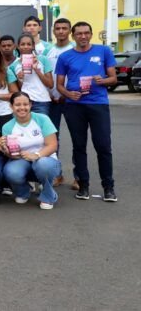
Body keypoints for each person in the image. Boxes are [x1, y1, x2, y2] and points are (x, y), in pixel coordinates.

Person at [55, 21, 117, 202]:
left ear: (91, 34)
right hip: (74, 106)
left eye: (86, 33)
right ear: (73, 36)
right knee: (79, 146)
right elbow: (59, 84)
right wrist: (68, 94)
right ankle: (83, 186)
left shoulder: (103, 51)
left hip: (98, 104)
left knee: (103, 145)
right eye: (79, 33)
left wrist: (102, 80)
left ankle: (108, 187)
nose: (83, 36)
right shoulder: (65, 56)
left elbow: (113, 78)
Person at [0, 92, 62, 210]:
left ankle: (48, 195)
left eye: (25, 104)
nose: (22, 107)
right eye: (17, 105)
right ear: (11, 106)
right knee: (11, 171)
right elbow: (12, 155)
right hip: (22, 159)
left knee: (43, 164)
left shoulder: (42, 119)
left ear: (31, 105)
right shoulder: (7, 126)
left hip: (46, 158)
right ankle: (23, 191)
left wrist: (36, 155)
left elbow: (53, 145)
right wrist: (4, 149)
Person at [44, 17, 75, 188]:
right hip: (52, 100)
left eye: (64, 28)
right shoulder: (48, 51)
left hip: (71, 100)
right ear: (54, 31)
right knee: (53, 138)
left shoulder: (74, 49)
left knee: (77, 138)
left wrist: (66, 93)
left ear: (69, 31)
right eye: (58, 28)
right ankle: (57, 174)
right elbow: (46, 75)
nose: (61, 31)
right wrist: (50, 94)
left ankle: (79, 177)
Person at [13, 34, 53, 115]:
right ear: (18, 46)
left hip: (41, 101)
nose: (26, 46)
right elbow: (19, 87)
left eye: (28, 44)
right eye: (23, 44)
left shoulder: (43, 59)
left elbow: (50, 84)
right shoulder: (14, 65)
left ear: (33, 46)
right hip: (23, 102)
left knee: (41, 126)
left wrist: (36, 69)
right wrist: (20, 78)